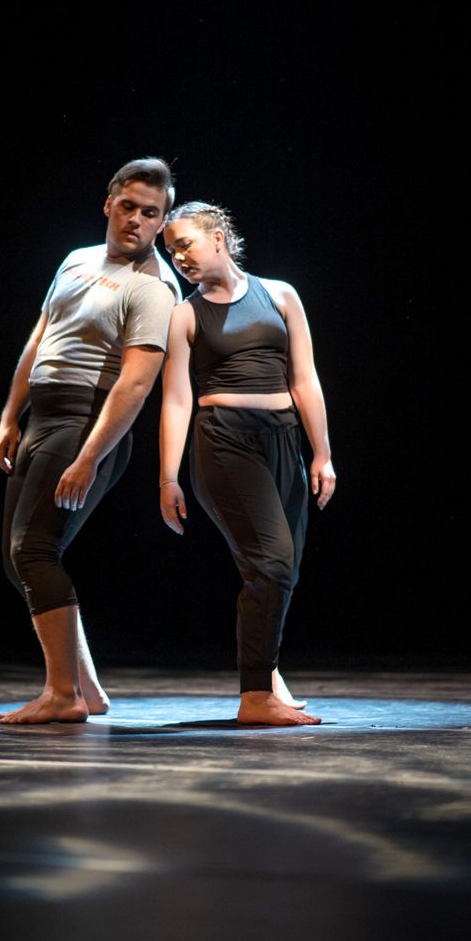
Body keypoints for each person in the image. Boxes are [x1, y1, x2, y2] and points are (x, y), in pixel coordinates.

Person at [0, 158, 181, 724]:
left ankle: (63, 696)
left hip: (87, 423)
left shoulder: (155, 287)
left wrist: (89, 456)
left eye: (151, 214)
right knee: (17, 558)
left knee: (34, 552)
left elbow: (137, 382)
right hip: (43, 416)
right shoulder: (76, 259)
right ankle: (88, 690)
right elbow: (42, 334)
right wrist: (10, 414)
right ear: (109, 204)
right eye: (128, 207)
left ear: (161, 220)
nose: (136, 221)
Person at [159, 202, 336, 727]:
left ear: (218, 238)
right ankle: (255, 695)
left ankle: (269, 675)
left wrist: (322, 451)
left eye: (184, 244)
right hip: (224, 443)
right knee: (273, 562)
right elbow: (175, 400)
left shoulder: (280, 294)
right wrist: (168, 476)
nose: (178, 257)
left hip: (283, 440)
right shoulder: (186, 314)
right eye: (171, 251)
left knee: (283, 568)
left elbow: (305, 379)